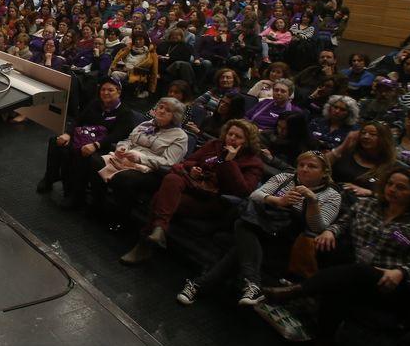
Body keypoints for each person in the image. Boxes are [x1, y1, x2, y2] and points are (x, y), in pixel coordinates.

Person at [265, 167, 410, 346]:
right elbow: (341, 224)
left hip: (388, 284)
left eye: (401, 187)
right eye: (390, 184)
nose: (392, 189)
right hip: (352, 276)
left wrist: (400, 272)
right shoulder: (367, 205)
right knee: (341, 284)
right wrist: (331, 232)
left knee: (356, 273)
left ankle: (298, 291)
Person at [177, 151, 342, 307]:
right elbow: (256, 194)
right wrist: (279, 201)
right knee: (244, 229)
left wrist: (312, 201)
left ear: (325, 172)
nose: (304, 169)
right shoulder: (285, 177)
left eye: (312, 166)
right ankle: (250, 284)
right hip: (262, 223)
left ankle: (198, 285)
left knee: (242, 230)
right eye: (301, 165)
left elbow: (318, 227)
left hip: (286, 236)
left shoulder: (331, 195)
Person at [118, 119, 266, 265]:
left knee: (159, 198)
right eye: (230, 133)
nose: (232, 138)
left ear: (247, 141)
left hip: (213, 200)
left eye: (238, 137)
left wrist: (229, 161)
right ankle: (157, 232)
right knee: (173, 178)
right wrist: (194, 169)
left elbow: (243, 191)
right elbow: (187, 162)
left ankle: (146, 242)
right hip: (194, 185)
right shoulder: (215, 145)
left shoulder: (254, 163)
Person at [37, 77, 139, 210]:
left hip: (105, 146)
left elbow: (117, 135)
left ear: (118, 92)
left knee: (82, 155)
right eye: (103, 89)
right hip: (84, 137)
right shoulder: (95, 104)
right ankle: (50, 177)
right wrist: (68, 133)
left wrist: (96, 145)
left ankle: (76, 195)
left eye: (110, 90)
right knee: (56, 142)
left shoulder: (125, 112)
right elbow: (78, 120)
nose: (106, 92)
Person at [88, 98, 190, 213]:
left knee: (124, 178)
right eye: (160, 107)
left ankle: (121, 217)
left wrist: (140, 158)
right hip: (126, 160)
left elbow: (169, 162)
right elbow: (129, 140)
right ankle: (98, 204)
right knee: (96, 161)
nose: (161, 111)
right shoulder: (147, 124)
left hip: (151, 171)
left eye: (168, 110)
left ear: (174, 116)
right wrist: (122, 148)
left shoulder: (180, 137)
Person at [324, 121, 396, 195]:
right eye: (363, 133)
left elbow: (392, 195)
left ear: (384, 139)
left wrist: (370, 192)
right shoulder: (347, 152)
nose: (366, 136)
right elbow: (321, 165)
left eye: (373, 134)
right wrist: (343, 146)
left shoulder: (390, 166)